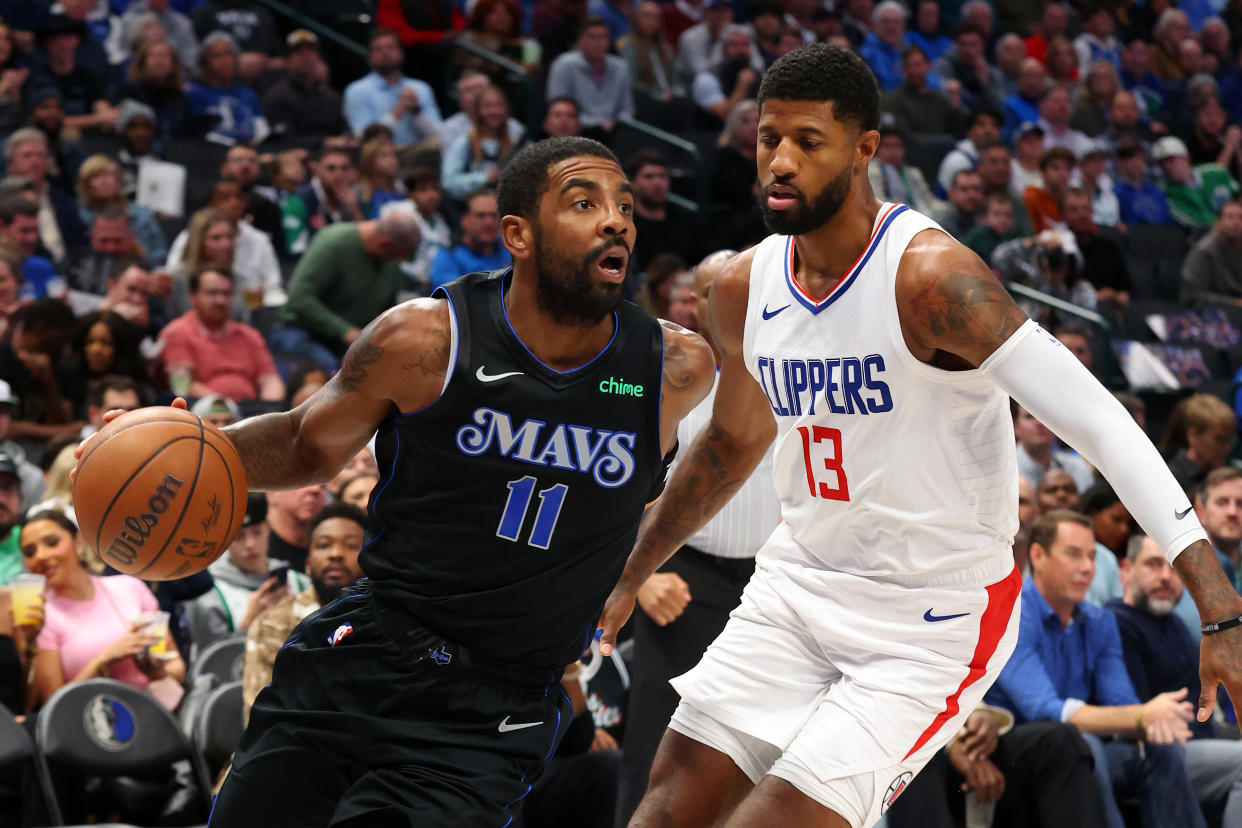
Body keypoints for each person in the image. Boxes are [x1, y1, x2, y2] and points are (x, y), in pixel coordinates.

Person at [593, 44, 1242, 828]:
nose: (781, 162)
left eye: (808, 141)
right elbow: (731, 446)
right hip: (798, 584)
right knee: (662, 814)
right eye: (769, 140)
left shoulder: (932, 279)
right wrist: (629, 572)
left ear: (865, 150)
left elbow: (1101, 422)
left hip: (932, 615)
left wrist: (1219, 605)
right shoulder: (739, 287)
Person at [189, 136, 715, 825]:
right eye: (584, 203)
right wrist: (195, 448)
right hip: (369, 653)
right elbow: (301, 442)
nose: (616, 219)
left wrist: (643, 562)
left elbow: (740, 440)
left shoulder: (674, 369)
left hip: (494, 712)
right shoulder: (425, 340)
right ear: (517, 235)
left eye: (622, 205)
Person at [618, 250, 782, 821]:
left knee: (757, 756)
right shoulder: (669, 376)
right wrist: (639, 577)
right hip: (682, 577)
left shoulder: (795, 376)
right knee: (656, 749)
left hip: (771, 587)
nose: (717, 304)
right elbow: (615, 490)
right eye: (705, 293)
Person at [987, 511, 1207, 828]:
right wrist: (1142, 715)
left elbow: (1121, 702)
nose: (1088, 568)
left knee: (1161, 746)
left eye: (1091, 556)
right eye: (1073, 555)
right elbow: (1043, 709)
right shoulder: (1014, 615)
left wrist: (1155, 721)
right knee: (1078, 742)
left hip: (1083, 752)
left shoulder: (1099, 621)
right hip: (1017, 754)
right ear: (1037, 555)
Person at [1110, 532, 1242, 825]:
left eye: (1174, 568)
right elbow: (1131, 710)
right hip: (1152, 751)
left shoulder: (1177, 626)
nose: (1166, 577)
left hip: (1197, 744)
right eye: (1153, 565)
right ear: (1125, 569)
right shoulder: (1116, 621)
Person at [25, 509, 186, 708]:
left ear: (79, 540)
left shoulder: (129, 587)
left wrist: (156, 672)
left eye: (52, 542)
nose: (40, 555)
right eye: (30, 552)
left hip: (155, 714)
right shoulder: (41, 619)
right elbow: (55, 705)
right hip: (96, 727)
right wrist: (103, 660)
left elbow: (177, 667)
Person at [241, 501, 367, 721]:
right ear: (307, 564)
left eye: (350, 544)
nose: (335, 554)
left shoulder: (386, 619)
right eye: (324, 545)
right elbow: (260, 713)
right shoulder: (271, 623)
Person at [276, 208, 421, 372]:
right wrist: (345, 331)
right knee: (335, 375)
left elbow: (387, 309)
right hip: (303, 331)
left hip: (356, 341)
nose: (396, 262)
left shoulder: (390, 259)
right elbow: (299, 297)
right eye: (396, 256)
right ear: (384, 245)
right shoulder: (334, 242)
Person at [185, 494, 307, 657]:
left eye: (257, 532)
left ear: (269, 530)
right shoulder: (209, 595)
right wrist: (248, 623)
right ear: (223, 539)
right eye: (239, 537)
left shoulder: (300, 583)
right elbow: (208, 667)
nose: (250, 544)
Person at [157, 267, 286, 403]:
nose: (221, 300)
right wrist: (225, 407)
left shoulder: (250, 335)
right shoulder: (176, 333)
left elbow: (270, 379)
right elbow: (183, 386)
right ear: (193, 296)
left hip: (251, 412)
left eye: (226, 293)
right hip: (204, 413)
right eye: (212, 293)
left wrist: (270, 409)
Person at [342, 27, 443, 147]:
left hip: (417, 155)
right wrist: (396, 112)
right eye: (378, 49)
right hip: (378, 156)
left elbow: (439, 136)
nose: (385, 53)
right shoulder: (357, 90)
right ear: (369, 56)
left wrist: (418, 112)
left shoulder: (421, 88)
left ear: (401, 53)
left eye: (391, 47)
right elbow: (363, 138)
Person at [546, 17, 635, 136]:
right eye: (592, 37)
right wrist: (596, 124)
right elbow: (557, 107)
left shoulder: (621, 67)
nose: (598, 42)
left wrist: (616, 124)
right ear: (580, 41)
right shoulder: (563, 64)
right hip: (577, 132)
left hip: (614, 132)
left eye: (602, 37)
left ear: (609, 41)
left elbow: (627, 109)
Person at [261, 30, 347, 143]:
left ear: (318, 57)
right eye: (298, 51)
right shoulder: (277, 96)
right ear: (287, 60)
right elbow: (283, 141)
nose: (305, 56)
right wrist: (325, 142)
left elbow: (343, 131)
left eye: (311, 50)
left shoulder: (331, 96)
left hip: (332, 155)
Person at [186, 31, 268, 146]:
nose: (225, 61)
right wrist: (235, 145)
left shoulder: (249, 94)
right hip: (210, 153)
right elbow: (197, 133)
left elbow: (261, 128)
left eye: (229, 54)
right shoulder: (194, 93)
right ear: (204, 62)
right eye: (217, 56)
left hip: (250, 153)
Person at [627, 149, 701, 273]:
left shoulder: (685, 221)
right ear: (632, 183)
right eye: (648, 176)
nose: (657, 183)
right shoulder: (627, 224)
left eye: (662, 176)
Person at [428, 189, 510, 291]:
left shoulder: (509, 250)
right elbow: (455, 301)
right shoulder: (448, 257)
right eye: (480, 215)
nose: (489, 222)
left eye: (494, 215)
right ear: (464, 220)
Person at [1155, 135, 1240, 231]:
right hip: (1205, 238)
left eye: (1171, 160)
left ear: (1186, 157)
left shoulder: (1215, 172)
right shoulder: (1167, 195)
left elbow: (1238, 196)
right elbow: (1197, 223)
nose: (1166, 167)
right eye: (1161, 163)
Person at [1163, 394, 1237, 494]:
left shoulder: (1232, 477)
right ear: (1193, 435)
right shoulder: (1170, 479)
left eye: (1229, 439)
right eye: (1219, 439)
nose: (1227, 447)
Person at [1182, 198, 1242, 305]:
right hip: (1213, 310)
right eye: (1229, 217)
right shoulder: (1204, 251)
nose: (1236, 222)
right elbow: (1191, 295)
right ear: (1217, 224)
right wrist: (1234, 302)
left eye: (1240, 218)